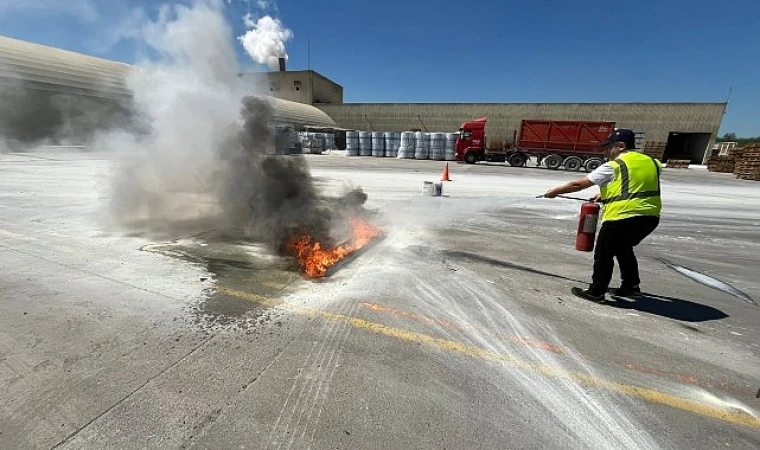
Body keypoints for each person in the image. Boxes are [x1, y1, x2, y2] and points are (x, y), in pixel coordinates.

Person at [543, 129, 662, 302]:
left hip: (622, 217)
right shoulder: (652, 162)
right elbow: (638, 182)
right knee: (623, 249)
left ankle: (596, 291)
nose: (606, 151)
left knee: (604, 254)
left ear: (621, 146)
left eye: (608, 147)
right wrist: (604, 195)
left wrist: (554, 191)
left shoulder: (614, 166)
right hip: (650, 217)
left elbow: (578, 185)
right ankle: (631, 286)